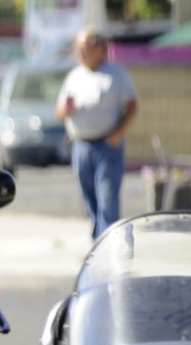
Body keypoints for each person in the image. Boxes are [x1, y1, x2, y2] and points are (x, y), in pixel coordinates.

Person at [55, 28, 138, 239]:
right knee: (89, 199)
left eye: (85, 48)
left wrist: (118, 134)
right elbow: (59, 111)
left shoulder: (116, 74)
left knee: (107, 200)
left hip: (106, 145)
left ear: (100, 49)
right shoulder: (75, 76)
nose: (80, 52)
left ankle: (108, 242)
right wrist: (65, 110)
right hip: (81, 146)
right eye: (78, 48)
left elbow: (132, 107)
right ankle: (97, 241)